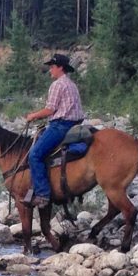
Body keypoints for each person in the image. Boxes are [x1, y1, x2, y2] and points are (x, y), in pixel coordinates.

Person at [25, 53, 84, 208]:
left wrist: (33, 116)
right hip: (75, 125)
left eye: (52, 67)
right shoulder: (71, 84)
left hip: (61, 126)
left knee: (35, 155)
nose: (50, 70)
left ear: (60, 68)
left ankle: (43, 194)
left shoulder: (58, 85)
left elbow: (50, 110)